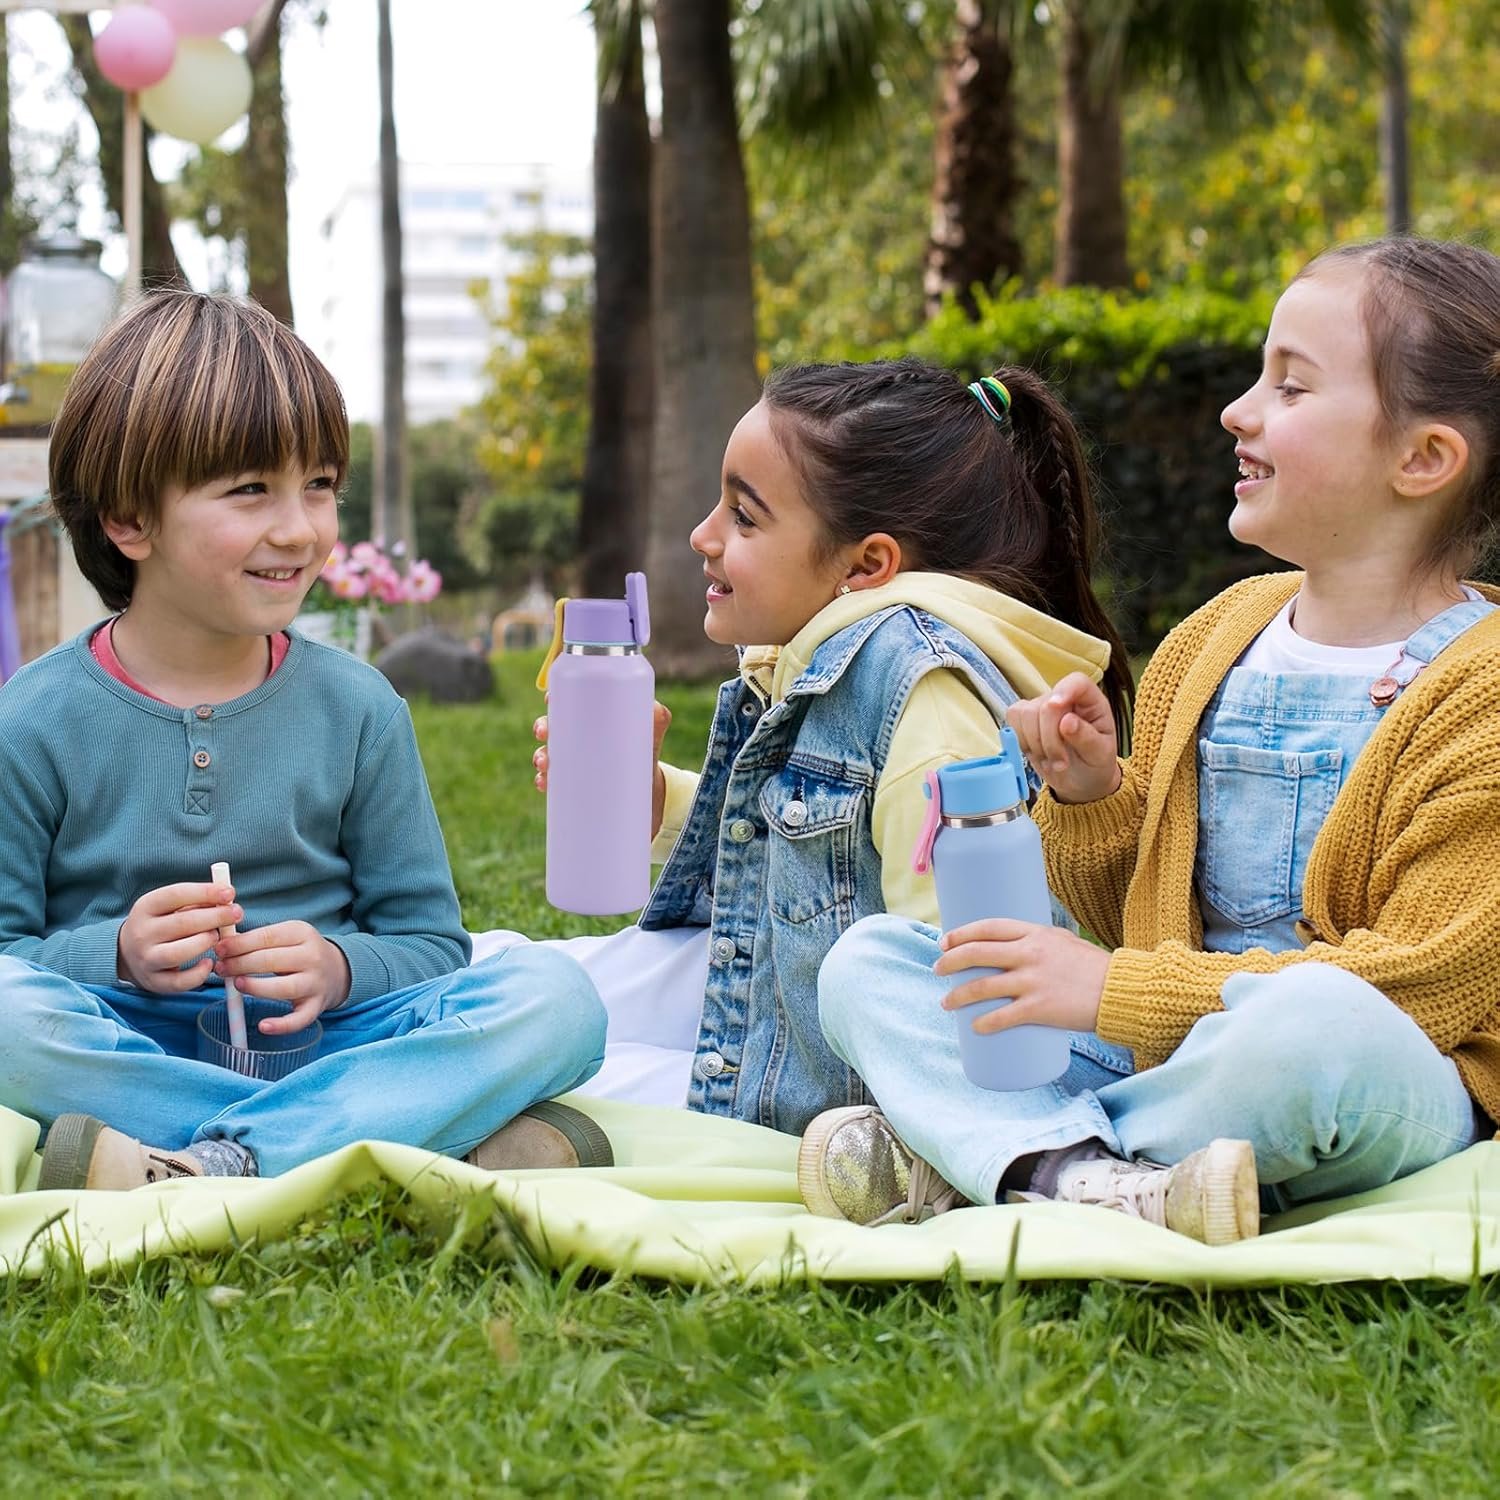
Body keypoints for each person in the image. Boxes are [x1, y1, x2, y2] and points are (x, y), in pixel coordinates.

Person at [797, 236, 1500, 1243]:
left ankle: (997, 1155)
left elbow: (1424, 989)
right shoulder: (1214, 639)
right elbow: (1131, 920)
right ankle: (1094, 1175)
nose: (1237, 412)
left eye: (1291, 387)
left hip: (1380, 1080)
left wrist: (1109, 990)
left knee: (1315, 1028)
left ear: (1422, 459)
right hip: (1160, 1063)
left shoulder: (1485, 689)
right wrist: (1090, 798)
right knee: (872, 962)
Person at [0, 290, 608, 1192]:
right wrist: (115, 954)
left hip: (334, 1044)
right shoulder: (33, 718)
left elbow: (430, 943)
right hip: (127, 1042)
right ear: (129, 519)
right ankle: (378, 1131)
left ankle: (213, 1158)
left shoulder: (360, 709)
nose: (300, 529)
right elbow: (11, 955)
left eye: (318, 485)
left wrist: (335, 968)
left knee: (558, 1000)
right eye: (251, 490)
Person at [503, 357, 1132, 1135]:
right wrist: (657, 801)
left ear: (865, 565)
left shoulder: (922, 694)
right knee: (501, 973)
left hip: (826, 1083)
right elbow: (821, 848)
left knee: (527, 1070)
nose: (703, 535)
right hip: (780, 1005)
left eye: (744, 517)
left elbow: (940, 989)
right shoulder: (825, 658)